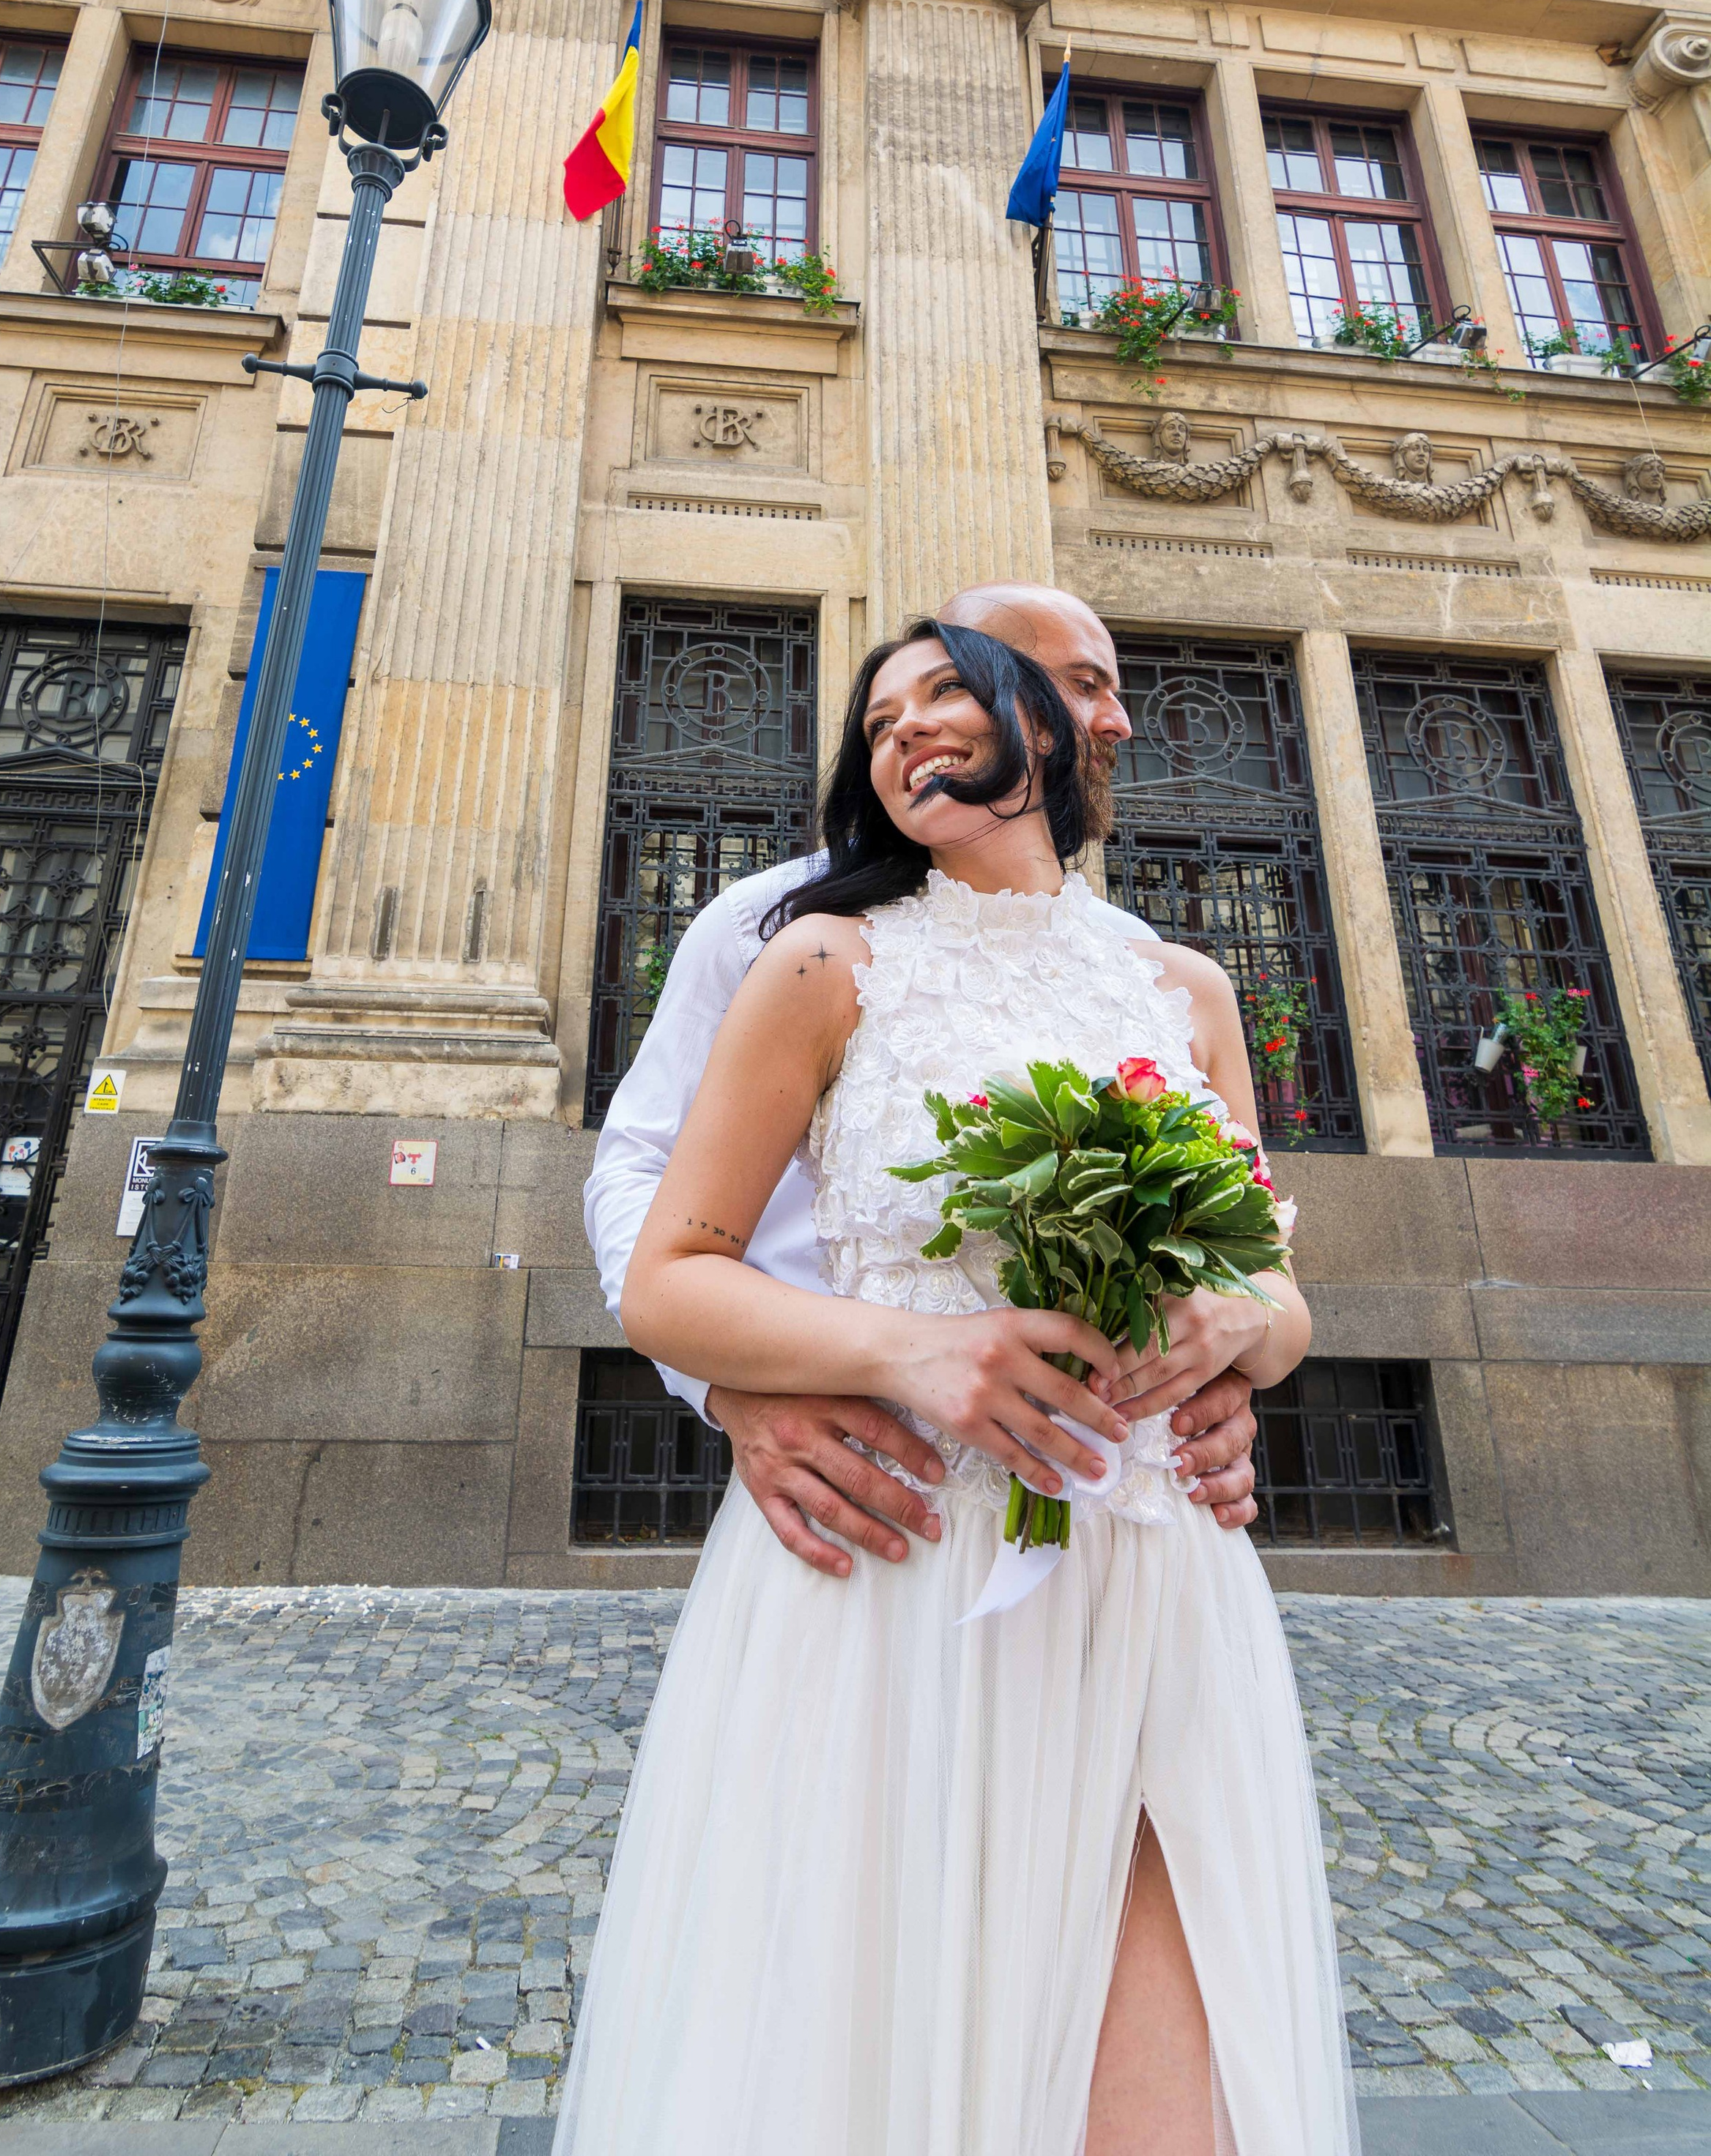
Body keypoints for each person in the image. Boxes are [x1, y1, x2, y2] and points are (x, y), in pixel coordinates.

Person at [554, 622, 1354, 2156]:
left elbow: (1276, 1282)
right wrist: (904, 1350)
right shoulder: (813, 953)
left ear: (1041, 734)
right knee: (882, 2036)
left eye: (939, 694)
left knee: (1168, 2092)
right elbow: (668, 1267)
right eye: (875, 721)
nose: (902, 732)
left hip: (1150, 1566)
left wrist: (1231, 1333)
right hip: (910, 1559)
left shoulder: (1182, 987)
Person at [585, 584, 1260, 1569]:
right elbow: (640, 1182)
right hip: (886, 1480)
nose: (1117, 719)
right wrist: (733, 1393)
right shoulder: (784, 933)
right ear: (1010, 693)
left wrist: (1230, 1352)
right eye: (1083, 684)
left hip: (1135, 1516)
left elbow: (1244, 1255)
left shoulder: (1152, 969)